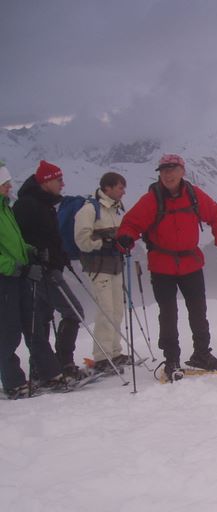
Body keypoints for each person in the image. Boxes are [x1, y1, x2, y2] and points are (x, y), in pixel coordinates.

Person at [116, 154, 217, 381]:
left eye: (172, 169)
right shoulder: (152, 199)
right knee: (168, 314)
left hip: (191, 263)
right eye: (164, 170)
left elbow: (215, 215)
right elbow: (131, 223)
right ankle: (172, 359)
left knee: (198, 311)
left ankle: (201, 353)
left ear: (182, 171)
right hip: (162, 266)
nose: (168, 174)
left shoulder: (194, 195)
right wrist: (126, 237)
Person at [14, 160, 87, 381]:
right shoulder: (29, 205)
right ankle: (62, 363)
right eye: (58, 180)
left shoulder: (41, 203)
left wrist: (60, 256)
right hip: (42, 269)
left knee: (42, 318)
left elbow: (48, 236)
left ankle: (44, 368)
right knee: (73, 311)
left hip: (46, 267)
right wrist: (36, 257)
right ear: (46, 181)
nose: (62, 184)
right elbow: (20, 238)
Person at [0, 161, 66, 397]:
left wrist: (31, 251)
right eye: (5, 183)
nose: (9, 187)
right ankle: (13, 382)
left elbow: (16, 241)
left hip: (19, 275)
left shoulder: (6, 208)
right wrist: (15, 267)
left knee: (33, 324)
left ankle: (50, 373)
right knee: (8, 331)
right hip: (5, 279)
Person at [74, 172, 128, 373]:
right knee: (106, 310)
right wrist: (103, 242)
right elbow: (82, 240)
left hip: (114, 265)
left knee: (117, 309)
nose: (123, 192)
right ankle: (103, 356)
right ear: (108, 188)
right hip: (98, 267)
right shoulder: (90, 209)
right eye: (120, 187)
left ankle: (114, 351)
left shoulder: (114, 209)